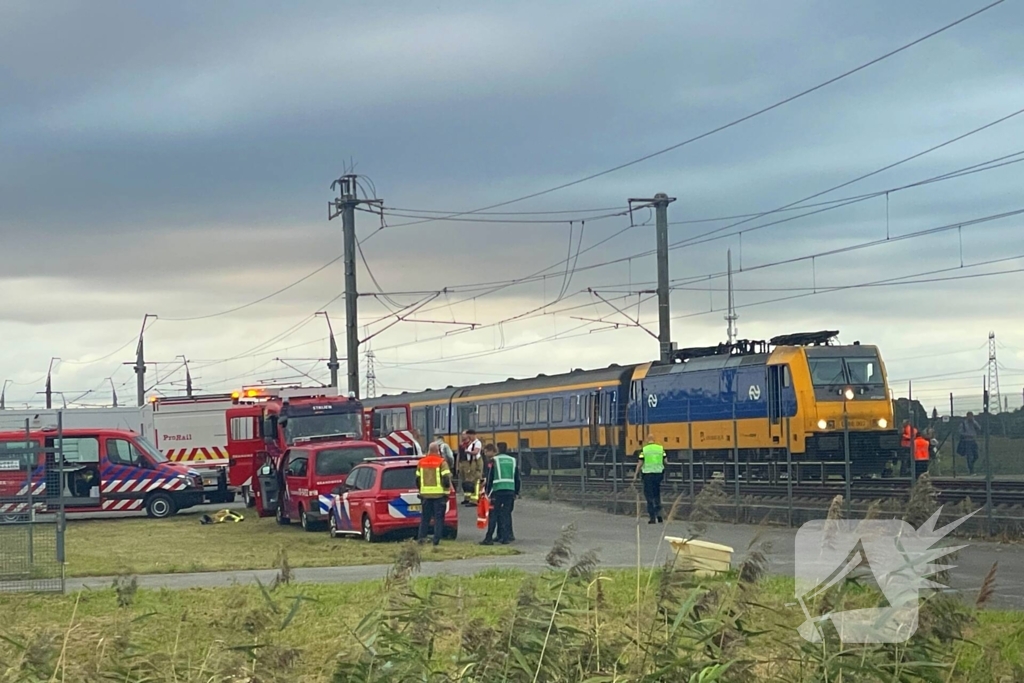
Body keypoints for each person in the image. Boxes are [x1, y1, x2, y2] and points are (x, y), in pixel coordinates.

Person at [481, 444, 520, 545]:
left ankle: (488, 538)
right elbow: (517, 478)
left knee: (494, 514)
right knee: (506, 514)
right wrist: (516, 492)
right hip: (510, 490)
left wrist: (487, 492)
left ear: (497, 449)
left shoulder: (494, 460)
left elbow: (489, 477)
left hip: (497, 491)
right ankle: (505, 538)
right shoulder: (512, 460)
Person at [416, 442, 452, 546]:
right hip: (439, 496)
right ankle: (436, 541)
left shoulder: (421, 462)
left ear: (429, 450)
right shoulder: (442, 462)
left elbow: (417, 479)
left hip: (425, 496)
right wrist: (446, 492)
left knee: (425, 519)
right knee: (438, 519)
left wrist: (421, 491)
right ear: (438, 451)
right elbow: (446, 479)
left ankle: (421, 539)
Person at [635, 434, 666, 524]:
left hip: (648, 475)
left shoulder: (644, 450)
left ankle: (652, 518)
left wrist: (635, 474)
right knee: (657, 495)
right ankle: (659, 516)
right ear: (654, 439)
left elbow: (640, 463)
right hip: (658, 475)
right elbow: (665, 461)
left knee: (649, 496)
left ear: (647, 440)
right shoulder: (660, 449)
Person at [459, 430, 483, 506]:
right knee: (470, 480)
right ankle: (470, 499)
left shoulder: (477, 443)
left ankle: (474, 500)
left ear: (473, 435)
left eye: (469, 436)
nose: (468, 437)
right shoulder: (472, 443)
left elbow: (476, 452)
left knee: (476, 480)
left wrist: (467, 452)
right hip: (471, 462)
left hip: (476, 462)